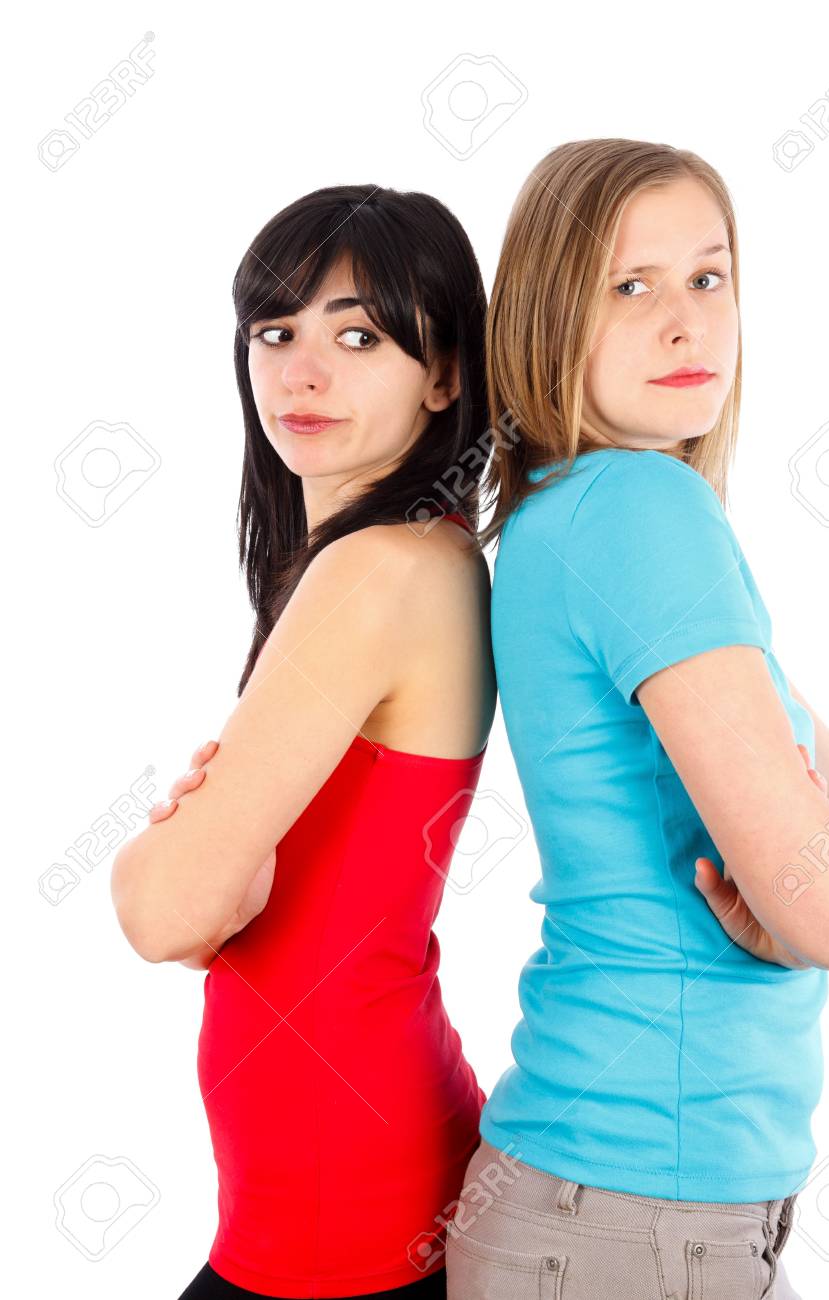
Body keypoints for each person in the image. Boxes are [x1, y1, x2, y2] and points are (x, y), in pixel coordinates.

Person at [445, 139, 829, 1300]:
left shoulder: (569, 513)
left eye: (706, 277)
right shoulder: (643, 512)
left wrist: (821, 887)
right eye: (628, 285)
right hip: (634, 1215)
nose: (683, 322)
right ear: (549, 316)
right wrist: (813, 899)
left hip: (616, 1208)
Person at [110, 184, 497, 1299]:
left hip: (347, 1209)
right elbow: (219, 910)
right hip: (344, 1191)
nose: (300, 373)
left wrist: (177, 860)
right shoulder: (406, 557)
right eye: (274, 333)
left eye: (358, 336)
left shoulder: (378, 572)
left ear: (445, 373)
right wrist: (213, 874)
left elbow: (162, 913)